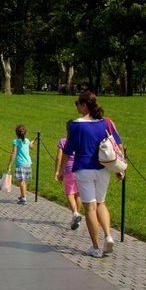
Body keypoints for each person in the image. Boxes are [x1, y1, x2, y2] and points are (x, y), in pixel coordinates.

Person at [57, 91, 125, 258]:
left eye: (78, 104)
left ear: (84, 105)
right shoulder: (106, 122)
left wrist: (60, 170)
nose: (77, 107)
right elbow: (118, 145)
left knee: (90, 208)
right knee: (101, 203)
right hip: (103, 168)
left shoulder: (76, 125)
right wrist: (120, 169)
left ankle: (95, 247)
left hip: (84, 169)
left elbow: (68, 150)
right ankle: (108, 236)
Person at [55, 137, 82, 229]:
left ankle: (75, 213)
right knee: (78, 194)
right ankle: (77, 218)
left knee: (69, 194)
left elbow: (59, 157)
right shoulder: (80, 140)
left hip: (69, 170)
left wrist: (57, 171)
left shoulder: (63, 141)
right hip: (80, 169)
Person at [6, 125, 34, 205]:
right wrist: (31, 143)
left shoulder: (16, 141)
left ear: (16, 133)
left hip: (21, 164)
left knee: (21, 181)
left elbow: (13, 153)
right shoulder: (27, 140)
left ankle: (24, 198)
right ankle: (22, 195)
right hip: (28, 163)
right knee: (24, 181)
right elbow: (31, 147)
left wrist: (10, 164)